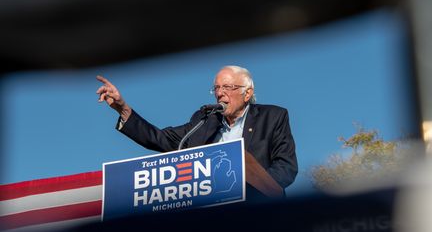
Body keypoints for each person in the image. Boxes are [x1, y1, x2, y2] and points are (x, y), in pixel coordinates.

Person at [96, 65, 298, 190]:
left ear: (247, 93)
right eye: (217, 88)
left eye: (227, 87)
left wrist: (259, 188)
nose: (219, 94)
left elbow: (286, 167)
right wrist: (123, 109)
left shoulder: (273, 117)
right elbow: (161, 139)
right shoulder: (204, 120)